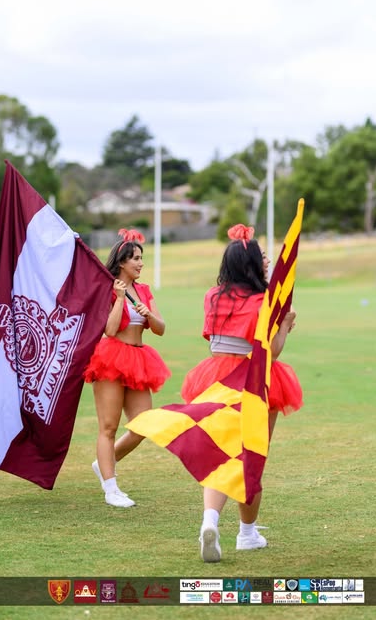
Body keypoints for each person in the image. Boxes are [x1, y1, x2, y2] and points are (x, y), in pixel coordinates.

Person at [180, 224, 303, 562]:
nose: (266, 261)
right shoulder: (265, 302)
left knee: (219, 455)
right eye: (261, 256)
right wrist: (285, 323)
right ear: (251, 264)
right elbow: (272, 351)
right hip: (254, 380)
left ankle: (210, 521)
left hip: (214, 376)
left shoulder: (211, 295)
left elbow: (211, 336)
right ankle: (247, 534)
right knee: (251, 456)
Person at [83, 228, 170, 507]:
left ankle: (104, 463)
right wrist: (119, 299)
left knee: (144, 425)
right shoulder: (108, 288)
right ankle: (111, 488)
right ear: (122, 262)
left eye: (141, 258)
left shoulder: (144, 291)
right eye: (135, 258)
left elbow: (160, 328)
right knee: (108, 426)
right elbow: (109, 330)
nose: (140, 263)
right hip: (111, 358)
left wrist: (148, 314)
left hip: (139, 358)